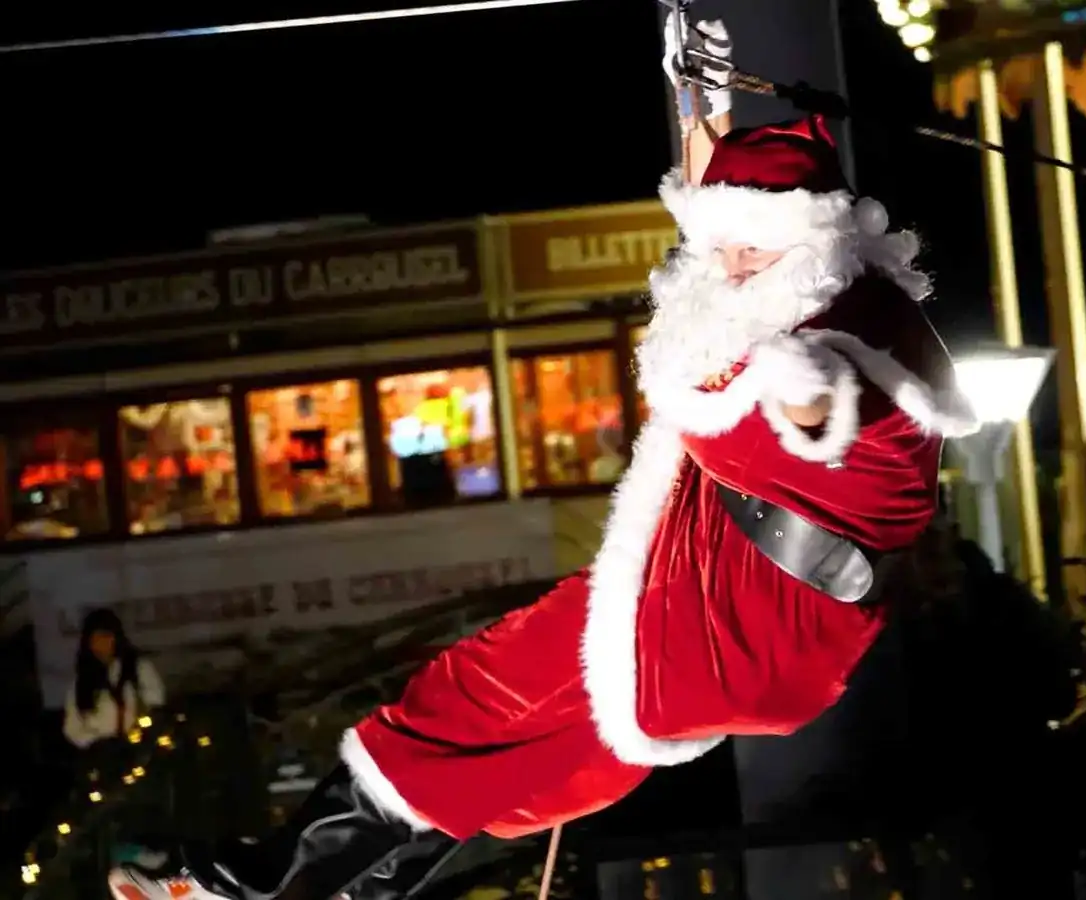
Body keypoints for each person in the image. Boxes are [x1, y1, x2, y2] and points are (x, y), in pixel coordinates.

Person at [109, 14, 974, 900]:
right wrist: (696, 93)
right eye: (724, 245)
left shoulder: (833, 326)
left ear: (812, 238)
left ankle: (262, 886)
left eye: (753, 245)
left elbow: (828, 396)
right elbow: (720, 223)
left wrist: (797, 392)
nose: (733, 265)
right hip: (752, 619)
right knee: (531, 756)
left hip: (726, 618)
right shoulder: (814, 290)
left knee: (475, 696)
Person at [65, 608, 165, 751]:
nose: (102, 644)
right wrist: (98, 744)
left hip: (139, 748)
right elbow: (72, 727)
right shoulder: (81, 682)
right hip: (102, 754)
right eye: (95, 639)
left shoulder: (139, 669)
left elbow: (156, 702)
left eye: (106, 637)